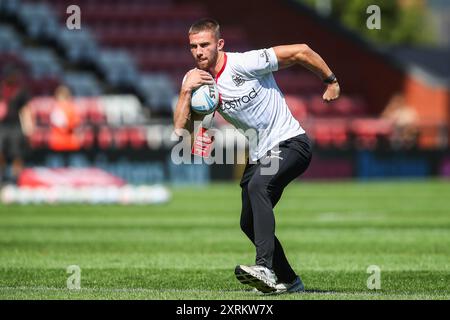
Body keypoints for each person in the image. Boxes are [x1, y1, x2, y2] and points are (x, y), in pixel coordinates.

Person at [173, 18, 340, 294]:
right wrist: (185, 92)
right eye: (193, 46)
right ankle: (289, 280)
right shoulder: (195, 81)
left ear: (219, 44)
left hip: (291, 143)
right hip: (262, 154)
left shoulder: (244, 63)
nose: (199, 51)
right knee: (247, 222)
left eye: (205, 44)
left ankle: (264, 267)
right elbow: (182, 133)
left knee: (258, 185)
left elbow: (302, 51)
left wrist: (330, 80)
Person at [0, 64, 30, 183]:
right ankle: (1, 176)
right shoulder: (1, 89)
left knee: (17, 154)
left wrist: (28, 127)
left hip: (16, 126)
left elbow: (25, 109)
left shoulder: (21, 90)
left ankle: (16, 178)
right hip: (2, 125)